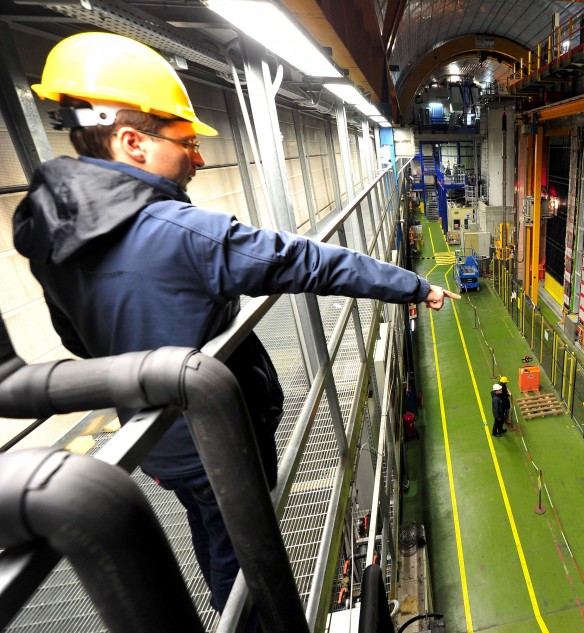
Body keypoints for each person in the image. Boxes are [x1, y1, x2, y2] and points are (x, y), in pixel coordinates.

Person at [12, 32, 459, 614]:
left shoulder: (48, 242)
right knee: (245, 567)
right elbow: (313, 262)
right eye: (185, 141)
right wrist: (414, 285)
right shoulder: (181, 232)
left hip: (156, 445)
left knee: (209, 534)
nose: (197, 156)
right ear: (132, 143)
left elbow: (78, 340)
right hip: (221, 438)